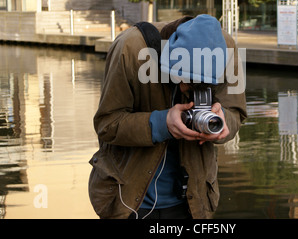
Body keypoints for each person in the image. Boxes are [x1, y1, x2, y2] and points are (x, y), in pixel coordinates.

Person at [88, 14, 247, 219]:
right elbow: (106, 124)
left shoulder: (227, 49)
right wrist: (162, 124)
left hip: (194, 202)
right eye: (183, 77)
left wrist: (222, 122)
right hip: (129, 201)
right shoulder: (130, 48)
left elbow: (235, 112)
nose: (185, 88)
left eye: (201, 84)